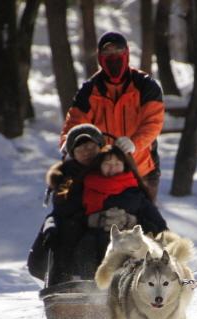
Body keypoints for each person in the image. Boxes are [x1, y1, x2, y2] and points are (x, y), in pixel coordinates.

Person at [59, 31, 165, 203]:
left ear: (127, 54)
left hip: (141, 169)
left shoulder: (146, 85)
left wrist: (134, 143)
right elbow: (75, 122)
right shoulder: (89, 90)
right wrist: (68, 142)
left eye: (118, 52)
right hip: (104, 171)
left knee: (146, 223)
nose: (113, 57)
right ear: (100, 57)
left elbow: (153, 122)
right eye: (107, 53)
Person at [27, 124, 137, 286]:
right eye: (80, 149)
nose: (87, 152)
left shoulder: (110, 166)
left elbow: (132, 191)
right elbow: (63, 207)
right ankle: (62, 286)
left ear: (100, 147)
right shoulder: (67, 176)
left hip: (112, 222)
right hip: (76, 223)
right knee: (66, 236)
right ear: (73, 154)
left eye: (91, 147)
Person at [78, 145, 168, 273]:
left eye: (117, 163)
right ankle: (85, 283)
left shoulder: (136, 193)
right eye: (107, 163)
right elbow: (71, 216)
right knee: (89, 241)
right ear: (99, 165)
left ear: (124, 165)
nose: (112, 167)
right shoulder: (85, 187)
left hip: (132, 245)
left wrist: (131, 221)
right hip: (93, 241)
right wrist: (96, 220)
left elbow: (159, 226)